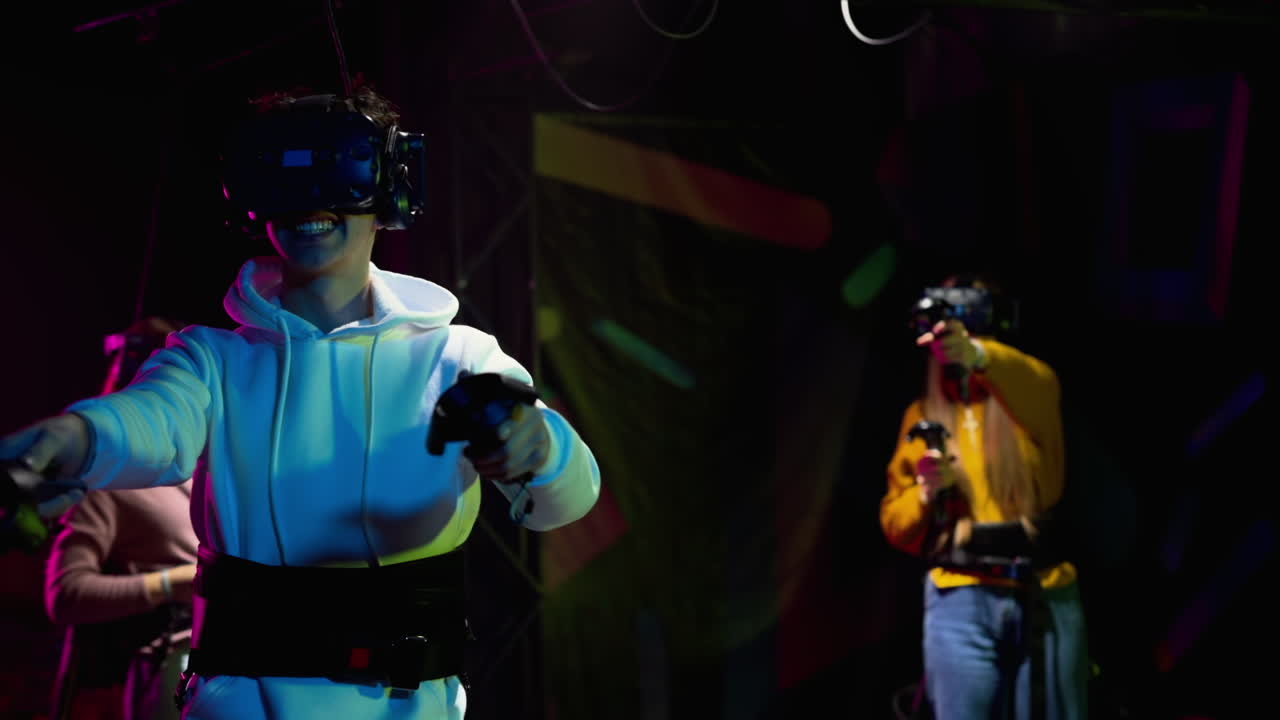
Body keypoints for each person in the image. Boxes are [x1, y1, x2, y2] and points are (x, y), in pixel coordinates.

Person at [0, 84, 601, 720]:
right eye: (282, 171)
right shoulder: (210, 358)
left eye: (338, 167)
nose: (310, 201)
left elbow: (566, 501)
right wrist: (73, 438)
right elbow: (149, 420)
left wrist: (541, 445)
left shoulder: (458, 356)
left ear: (391, 186)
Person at [879, 274, 1087, 719]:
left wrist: (976, 354)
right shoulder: (922, 416)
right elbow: (894, 523)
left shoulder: (1029, 398)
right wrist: (924, 494)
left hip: (1041, 593)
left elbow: (1032, 379)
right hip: (961, 599)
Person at [44, 316, 199, 720]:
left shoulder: (218, 469)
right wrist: (169, 583)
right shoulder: (107, 482)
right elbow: (64, 596)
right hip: (174, 664)